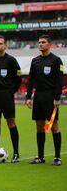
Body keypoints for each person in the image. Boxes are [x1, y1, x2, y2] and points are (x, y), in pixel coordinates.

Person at [26, 35, 63, 166]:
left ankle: (57, 157)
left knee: (54, 127)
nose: (40, 44)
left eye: (43, 42)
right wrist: (28, 97)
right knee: (39, 127)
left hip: (50, 96)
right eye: (39, 42)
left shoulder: (56, 60)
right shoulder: (35, 61)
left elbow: (59, 81)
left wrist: (57, 98)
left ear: (49, 44)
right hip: (38, 97)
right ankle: (40, 157)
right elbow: (30, 80)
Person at [0, 35, 22, 162]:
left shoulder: (11, 60)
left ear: (5, 45)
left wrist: (11, 91)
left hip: (7, 95)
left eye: (1, 43)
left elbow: (18, 78)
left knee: (11, 123)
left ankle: (16, 153)